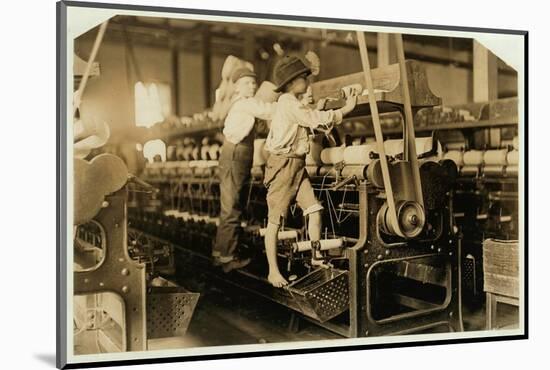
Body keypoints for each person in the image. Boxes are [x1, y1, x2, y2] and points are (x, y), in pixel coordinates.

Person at [263, 56, 357, 287]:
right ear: (293, 82)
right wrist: (345, 110)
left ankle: (316, 256)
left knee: (315, 210)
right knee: (275, 221)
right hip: (284, 166)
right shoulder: (287, 102)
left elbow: (309, 118)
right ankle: (273, 271)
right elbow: (314, 119)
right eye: (304, 77)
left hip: (297, 165)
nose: (307, 80)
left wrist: (322, 107)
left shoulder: (292, 103)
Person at [212, 67, 277, 272]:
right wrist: (290, 103)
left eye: (253, 82)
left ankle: (220, 252)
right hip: (236, 155)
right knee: (232, 206)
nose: (253, 85)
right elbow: (269, 111)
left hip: (235, 154)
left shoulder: (239, 104)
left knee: (230, 205)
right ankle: (228, 258)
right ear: (238, 87)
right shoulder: (246, 103)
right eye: (248, 82)